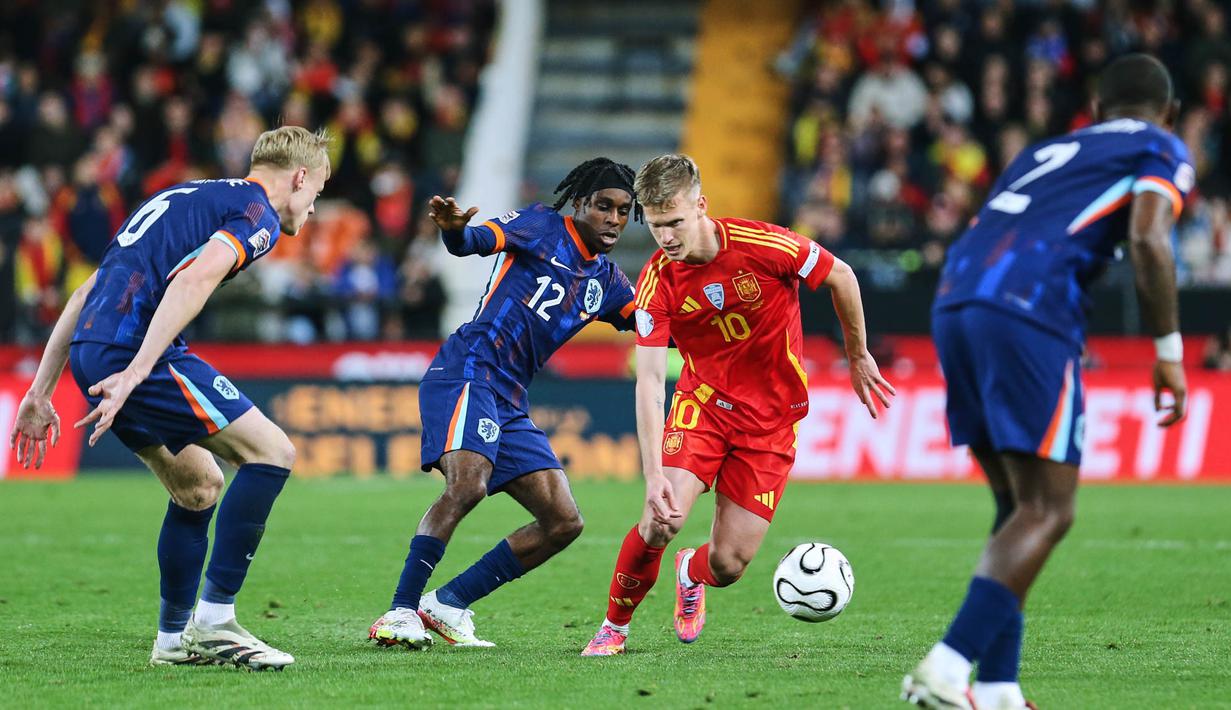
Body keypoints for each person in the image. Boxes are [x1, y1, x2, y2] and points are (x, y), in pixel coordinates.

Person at [902, 54, 1192, 710]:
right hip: (1028, 308)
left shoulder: (1046, 150)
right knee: (1050, 508)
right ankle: (947, 666)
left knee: (1014, 505)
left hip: (953, 302)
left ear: (1093, 110)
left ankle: (1000, 689)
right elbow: (1148, 238)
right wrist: (1167, 349)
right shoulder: (1159, 144)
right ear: (1168, 112)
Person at [8, 126, 331, 670]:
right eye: (317, 192)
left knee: (199, 487)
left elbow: (87, 291)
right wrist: (136, 371)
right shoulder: (258, 214)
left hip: (93, 350)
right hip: (134, 352)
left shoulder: (181, 196)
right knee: (273, 452)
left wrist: (40, 391)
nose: (314, 208)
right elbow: (194, 280)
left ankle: (172, 639)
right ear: (299, 177)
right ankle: (216, 621)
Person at [581, 154, 894, 656]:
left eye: (676, 222)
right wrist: (653, 473)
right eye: (657, 226)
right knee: (661, 518)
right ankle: (614, 627)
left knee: (728, 564)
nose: (667, 238)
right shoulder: (657, 283)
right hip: (702, 407)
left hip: (771, 424)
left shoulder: (766, 245)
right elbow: (648, 383)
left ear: (700, 206)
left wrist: (857, 355)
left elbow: (843, 276)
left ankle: (690, 571)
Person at [368, 158, 641, 649]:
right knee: (468, 485)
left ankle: (447, 603)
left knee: (563, 521)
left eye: (624, 211)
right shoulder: (540, 225)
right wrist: (454, 231)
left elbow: (650, 323)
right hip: (468, 370)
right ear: (580, 203)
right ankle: (399, 611)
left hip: (510, 398)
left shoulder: (609, 281)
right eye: (604, 206)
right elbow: (472, 241)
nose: (615, 219)